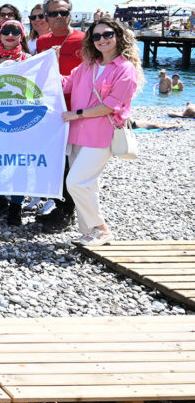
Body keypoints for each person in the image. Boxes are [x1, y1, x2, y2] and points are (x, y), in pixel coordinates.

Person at [60, 18, 142, 246]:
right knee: (88, 184)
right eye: (96, 36)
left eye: (107, 34)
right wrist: (41, 66)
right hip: (77, 134)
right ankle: (89, 231)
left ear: (118, 36)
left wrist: (77, 113)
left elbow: (111, 106)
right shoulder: (88, 65)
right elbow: (65, 84)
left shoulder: (125, 69)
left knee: (75, 182)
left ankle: (101, 229)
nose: (102, 39)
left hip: (101, 135)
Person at [35, 0, 86, 231]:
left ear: (70, 15)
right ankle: (61, 207)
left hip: (77, 111)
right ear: (46, 17)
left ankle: (68, 211)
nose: (59, 17)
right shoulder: (42, 41)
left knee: (73, 163)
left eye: (63, 13)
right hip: (52, 110)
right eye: (53, 13)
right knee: (55, 161)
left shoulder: (84, 40)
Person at [0, 19, 31, 226]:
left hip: (21, 120)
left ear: (22, 35)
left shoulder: (30, 59)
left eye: (15, 31)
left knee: (20, 163)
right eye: (6, 31)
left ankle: (16, 205)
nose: (10, 35)